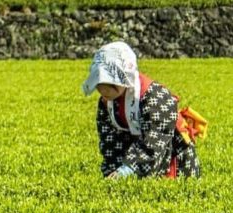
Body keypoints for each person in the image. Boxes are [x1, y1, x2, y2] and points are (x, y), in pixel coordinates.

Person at [81, 41, 202, 178]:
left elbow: (154, 140)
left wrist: (129, 168)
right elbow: (109, 139)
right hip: (135, 149)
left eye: (111, 84)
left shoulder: (156, 97)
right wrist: (113, 169)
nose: (104, 90)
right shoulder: (107, 101)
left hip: (169, 148)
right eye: (99, 83)